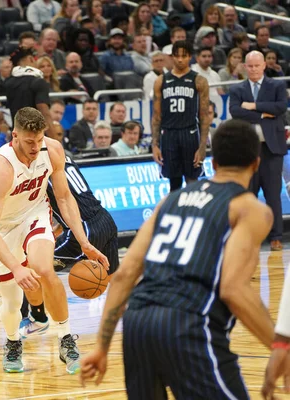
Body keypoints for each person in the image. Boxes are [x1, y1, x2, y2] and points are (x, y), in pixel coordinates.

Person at [80, 119, 276, 399]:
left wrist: (101, 346)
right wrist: (280, 346)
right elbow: (233, 288)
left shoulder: (169, 200)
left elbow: (124, 275)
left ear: (214, 162)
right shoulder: (250, 208)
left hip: (138, 323)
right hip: (189, 323)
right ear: (256, 163)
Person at [0, 107, 109, 374]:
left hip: (34, 214)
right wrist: (16, 266)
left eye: (39, 140)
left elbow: (63, 197)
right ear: (14, 135)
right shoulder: (1, 166)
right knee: (12, 302)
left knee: (44, 269)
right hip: (1, 228)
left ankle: (66, 339)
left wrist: (84, 241)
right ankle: (13, 341)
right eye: (29, 141)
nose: (35, 147)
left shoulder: (52, 150)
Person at [19, 155, 119, 337]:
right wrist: (59, 229)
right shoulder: (62, 156)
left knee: (32, 268)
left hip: (84, 229)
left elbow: (62, 200)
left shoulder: (38, 166)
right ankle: (139, 311)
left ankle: (35, 318)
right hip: (105, 219)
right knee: (113, 276)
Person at [229, 50, 288, 252]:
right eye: (250, 66)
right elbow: (235, 111)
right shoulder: (238, 89)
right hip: (247, 150)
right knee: (249, 195)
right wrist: (264, 113)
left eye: (257, 65)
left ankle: (276, 237)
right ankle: (250, 237)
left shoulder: (277, 85)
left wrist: (253, 107)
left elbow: (280, 107)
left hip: (272, 149)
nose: (253, 69)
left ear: (264, 65)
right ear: (245, 67)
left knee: (273, 194)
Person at [152, 40, 210, 193]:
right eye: (176, 56)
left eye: (184, 56)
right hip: (169, 134)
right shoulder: (161, 81)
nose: (179, 59)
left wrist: (203, 147)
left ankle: (194, 215)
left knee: (192, 181)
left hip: (189, 133)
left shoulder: (199, 80)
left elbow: (204, 116)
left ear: (190, 57)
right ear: (171, 57)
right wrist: (155, 145)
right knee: (174, 184)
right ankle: (175, 215)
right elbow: (156, 116)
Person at [4, 46, 55, 138]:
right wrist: (56, 141)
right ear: (31, 59)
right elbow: (44, 112)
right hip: (34, 138)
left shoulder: (8, 83)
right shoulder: (38, 82)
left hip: (17, 137)